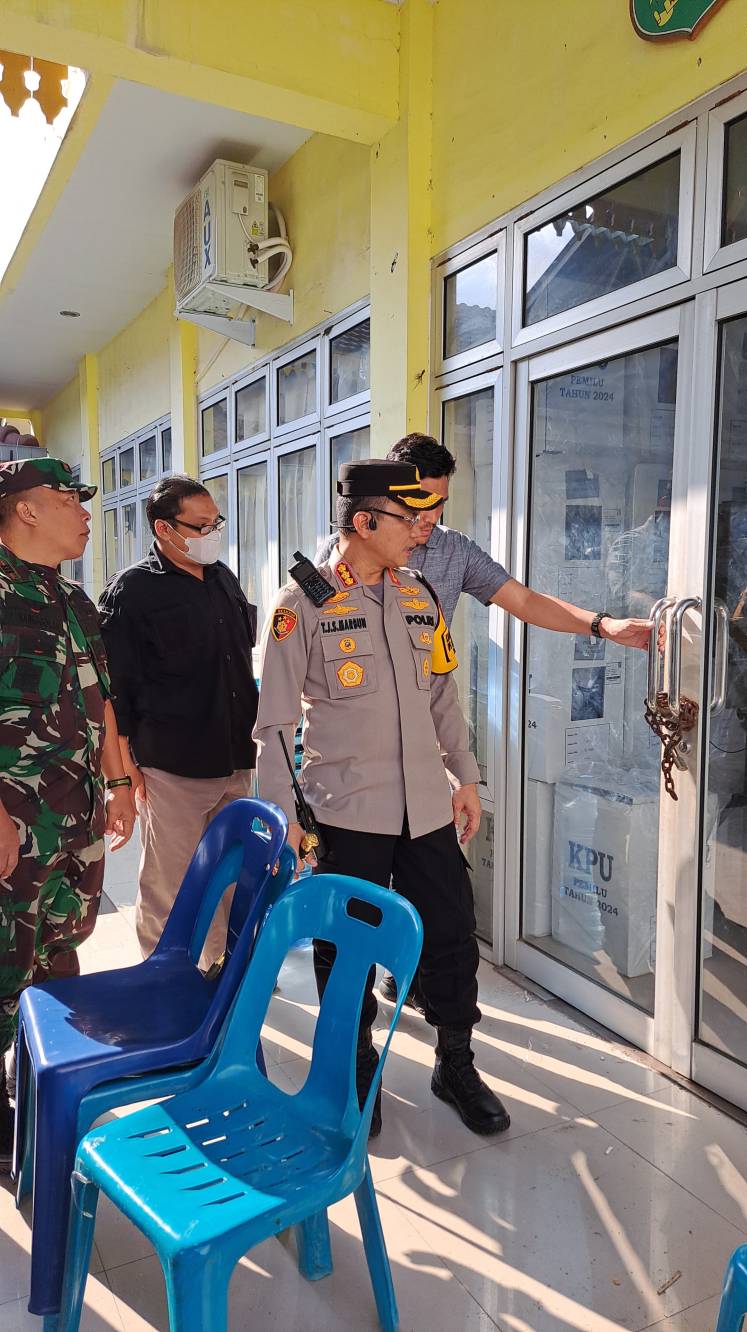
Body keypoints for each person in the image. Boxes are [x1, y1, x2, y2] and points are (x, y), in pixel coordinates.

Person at [317, 434, 653, 1009]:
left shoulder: (453, 553)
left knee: (440, 893)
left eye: (440, 504)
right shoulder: (340, 561)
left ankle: (437, 1014)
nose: (428, 520)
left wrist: (603, 627)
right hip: (359, 758)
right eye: (418, 505)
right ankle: (351, 1039)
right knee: (357, 903)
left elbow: (525, 602)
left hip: (428, 740)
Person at [255, 458, 511, 1139]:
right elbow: (275, 726)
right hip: (346, 810)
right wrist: (283, 819)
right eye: (410, 518)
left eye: (428, 516)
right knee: (349, 948)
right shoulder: (299, 606)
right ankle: (351, 1062)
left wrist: (466, 777)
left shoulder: (419, 594)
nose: (423, 532)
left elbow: (442, 696)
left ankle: (455, 1062)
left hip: (426, 806)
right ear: (364, 521)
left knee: (452, 938)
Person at [0, 455, 135, 1170]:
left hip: (74, 817)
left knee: (60, 947)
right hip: (12, 824)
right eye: (70, 499)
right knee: (1, 961)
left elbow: (101, 700)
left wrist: (119, 783)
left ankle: (45, 1071)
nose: (87, 512)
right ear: (25, 508)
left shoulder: (75, 600)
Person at [99, 475, 259, 967]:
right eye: (201, 525)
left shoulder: (222, 578)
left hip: (234, 759)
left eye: (217, 523)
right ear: (164, 529)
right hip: (174, 767)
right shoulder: (134, 591)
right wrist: (125, 776)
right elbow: (116, 696)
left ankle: (225, 969)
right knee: (173, 882)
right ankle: (165, 976)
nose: (213, 533)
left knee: (232, 874)